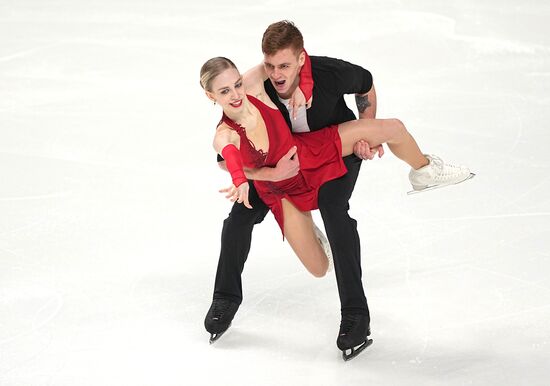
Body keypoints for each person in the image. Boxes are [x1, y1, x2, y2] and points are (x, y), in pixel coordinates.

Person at [200, 50, 472, 358]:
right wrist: (254, 177)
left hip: (307, 153)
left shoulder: (254, 85)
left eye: (236, 84)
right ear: (211, 95)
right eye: (224, 91)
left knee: (391, 129)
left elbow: (286, 60)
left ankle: (424, 171)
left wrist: (303, 85)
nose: (235, 94)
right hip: (277, 185)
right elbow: (229, 161)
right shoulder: (224, 134)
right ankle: (225, 298)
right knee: (311, 262)